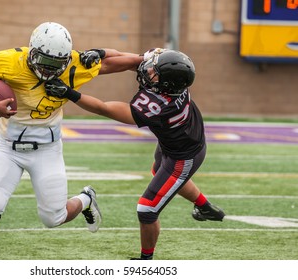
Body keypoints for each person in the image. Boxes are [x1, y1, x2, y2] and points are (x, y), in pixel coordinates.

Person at [0, 21, 143, 260]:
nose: (49, 70)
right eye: (45, 62)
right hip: (7, 146)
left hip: (47, 149)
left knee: (52, 219)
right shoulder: (11, 60)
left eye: (56, 65)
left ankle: (86, 198)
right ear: (32, 52)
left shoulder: (74, 64)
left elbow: (114, 63)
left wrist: (147, 59)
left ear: (65, 60)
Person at [44, 48, 226, 260]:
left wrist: (69, 93)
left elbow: (104, 108)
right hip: (176, 142)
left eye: (154, 73)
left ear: (165, 84)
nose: (149, 71)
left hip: (183, 157)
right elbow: (136, 60)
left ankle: (146, 261)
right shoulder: (175, 80)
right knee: (158, 169)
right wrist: (101, 53)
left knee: (147, 210)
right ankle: (204, 207)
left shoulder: (158, 106)